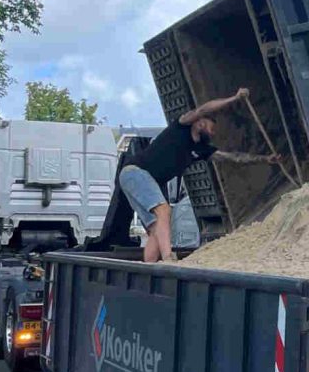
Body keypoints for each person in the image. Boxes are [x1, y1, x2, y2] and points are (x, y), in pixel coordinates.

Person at [119, 88, 279, 262]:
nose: (213, 132)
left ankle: (149, 267)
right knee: (164, 210)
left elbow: (234, 158)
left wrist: (265, 159)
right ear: (200, 122)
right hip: (135, 172)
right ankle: (168, 258)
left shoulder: (201, 149)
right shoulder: (181, 126)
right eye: (212, 127)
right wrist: (234, 98)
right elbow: (203, 109)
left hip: (135, 178)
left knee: (156, 229)